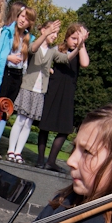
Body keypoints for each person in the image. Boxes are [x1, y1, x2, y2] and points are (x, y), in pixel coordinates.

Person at [7, 22, 87, 164]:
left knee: (28, 123)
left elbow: (66, 58)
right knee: (20, 120)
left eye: (56, 34)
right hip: (28, 87)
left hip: (40, 90)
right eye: (52, 33)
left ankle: (18, 152)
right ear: (44, 31)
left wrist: (80, 46)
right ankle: (11, 150)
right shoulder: (37, 46)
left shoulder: (52, 51)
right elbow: (32, 48)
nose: (55, 36)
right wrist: (45, 33)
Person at [0, 5, 35, 160]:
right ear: (18, 16)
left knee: (5, 111)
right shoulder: (6, 32)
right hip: (2, 74)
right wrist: (8, 58)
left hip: (16, 77)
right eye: (22, 16)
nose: (23, 20)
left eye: (27, 19)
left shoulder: (28, 39)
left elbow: (35, 50)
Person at [36, 22, 90, 172]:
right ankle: (40, 159)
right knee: (45, 125)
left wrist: (82, 44)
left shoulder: (80, 51)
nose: (75, 41)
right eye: (73, 38)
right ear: (66, 37)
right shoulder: (58, 49)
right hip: (54, 88)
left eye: (77, 39)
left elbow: (85, 63)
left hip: (68, 91)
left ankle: (51, 161)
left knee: (65, 128)